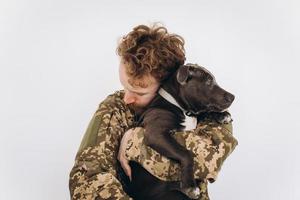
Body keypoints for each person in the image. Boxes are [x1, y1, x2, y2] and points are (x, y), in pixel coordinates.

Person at [69, 23, 238, 200]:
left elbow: (209, 160)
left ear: (169, 84)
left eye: (139, 93)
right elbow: (86, 180)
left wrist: (135, 141)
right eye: (124, 86)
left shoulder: (208, 108)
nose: (127, 99)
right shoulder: (115, 107)